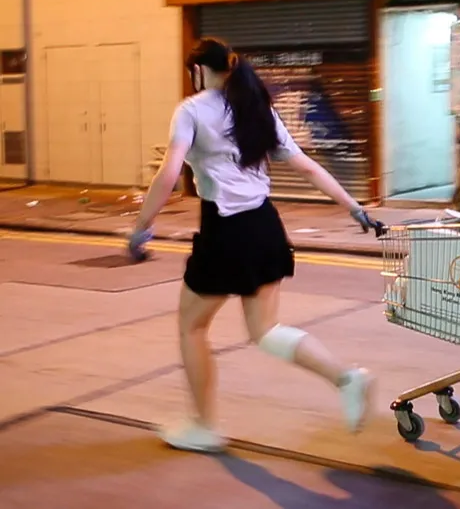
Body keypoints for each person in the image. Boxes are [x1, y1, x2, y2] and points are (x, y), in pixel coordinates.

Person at [127, 37, 386, 453]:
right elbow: (306, 165)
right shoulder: (257, 108)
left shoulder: (191, 110)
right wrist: (354, 207)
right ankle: (346, 378)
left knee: (191, 327)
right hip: (265, 226)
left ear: (198, 71)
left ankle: (205, 425)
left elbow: (168, 173)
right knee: (265, 330)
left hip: (225, 232)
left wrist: (141, 228)